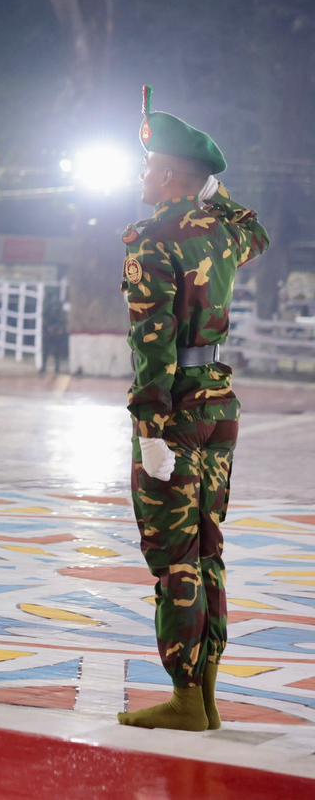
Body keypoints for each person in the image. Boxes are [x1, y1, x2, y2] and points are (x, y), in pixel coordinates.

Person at [116, 86, 270, 732]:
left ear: (173, 176)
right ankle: (206, 695)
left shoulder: (150, 240)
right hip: (218, 404)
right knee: (208, 550)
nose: (142, 176)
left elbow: (152, 342)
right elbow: (257, 231)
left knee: (173, 556)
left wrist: (149, 427)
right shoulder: (223, 234)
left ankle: (184, 698)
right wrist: (217, 193)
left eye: (150, 166)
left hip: (175, 410)